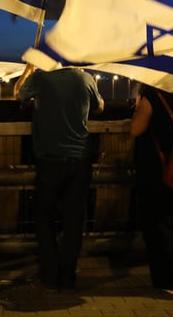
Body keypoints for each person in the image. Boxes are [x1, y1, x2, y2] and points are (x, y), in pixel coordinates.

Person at [13, 63, 104, 292]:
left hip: (49, 159)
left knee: (44, 219)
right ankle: (68, 276)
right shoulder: (85, 79)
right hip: (80, 159)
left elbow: (18, 94)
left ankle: (50, 275)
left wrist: (28, 69)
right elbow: (100, 106)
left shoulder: (41, 78)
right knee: (74, 221)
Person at [129, 81, 173, 296]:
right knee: (172, 221)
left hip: (156, 169)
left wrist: (139, 107)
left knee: (157, 224)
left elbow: (136, 130)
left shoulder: (152, 96)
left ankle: (166, 279)